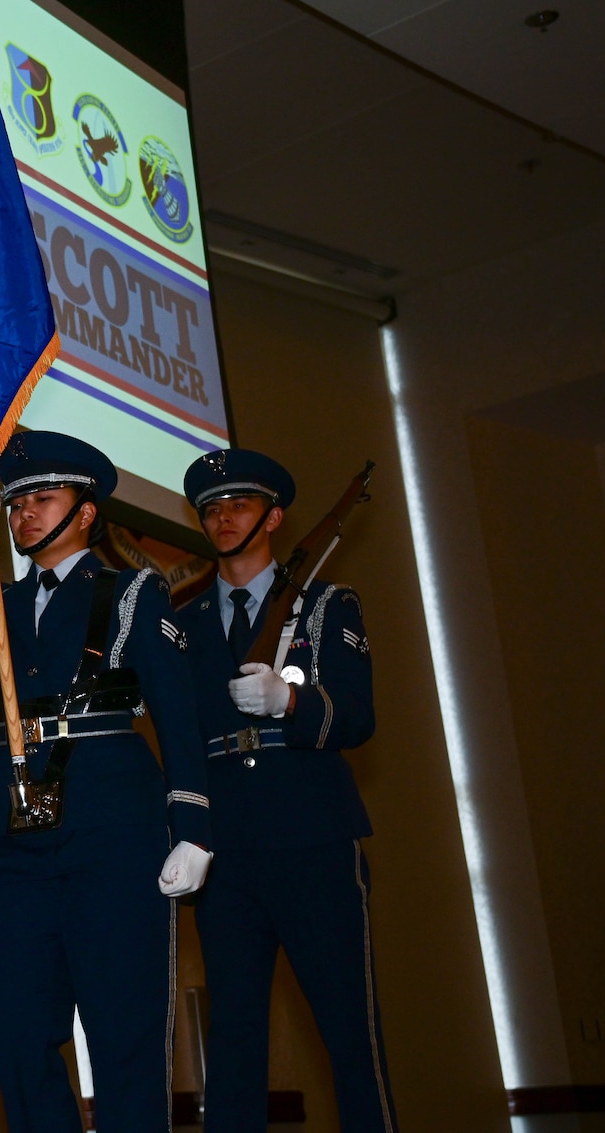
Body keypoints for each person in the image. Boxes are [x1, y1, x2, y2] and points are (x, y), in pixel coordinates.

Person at [0, 431, 212, 1133]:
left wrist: (195, 826)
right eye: (16, 502)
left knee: (125, 1032)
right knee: (8, 1021)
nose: (24, 514)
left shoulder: (131, 592)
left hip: (113, 828)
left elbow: (178, 714)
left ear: (86, 512)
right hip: (19, 837)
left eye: (43, 499)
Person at [173, 449, 395, 1133]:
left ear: (272, 516)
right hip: (228, 849)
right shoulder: (182, 622)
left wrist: (292, 701)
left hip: (312, 838)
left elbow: (357, 713)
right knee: (235, 1043)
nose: (223, 516)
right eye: (211, 507)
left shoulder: (327, 605)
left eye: (239, 504)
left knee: (350, 1035)